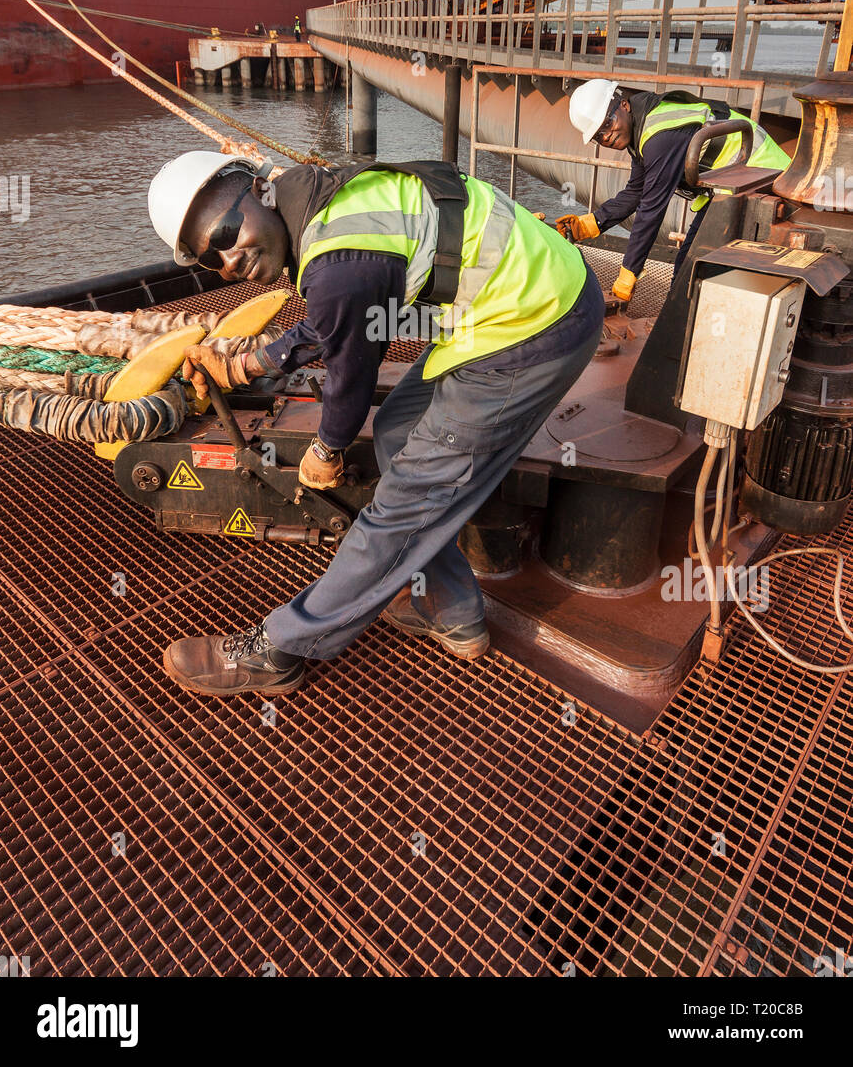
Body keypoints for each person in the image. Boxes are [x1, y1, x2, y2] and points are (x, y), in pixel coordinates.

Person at [146, 152, 605, 697]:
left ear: (256, 189)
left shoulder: (339, 259)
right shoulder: (316, 195)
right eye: (208, 259)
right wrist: (250, 362)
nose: (226, 260)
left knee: (403, 505)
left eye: (225, 231)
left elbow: (348, 377)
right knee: (395, 430)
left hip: (534, 328)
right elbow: (340, 316)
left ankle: (281, 650)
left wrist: (327, 448)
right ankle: (452, 609)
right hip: (508, 302)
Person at [557, 79, 790, 303]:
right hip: (735, 182)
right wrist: (590, 224)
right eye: (598, 135)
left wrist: (629, 272)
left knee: (693, 270)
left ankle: (683, 331)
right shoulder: (642, 127)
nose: (606, 136)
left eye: (607, 123)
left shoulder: (660, 137)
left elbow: (651, 209)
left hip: (762, 178)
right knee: (691, 269)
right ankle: (684, 325)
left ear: (623, 105)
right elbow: (636, 191)